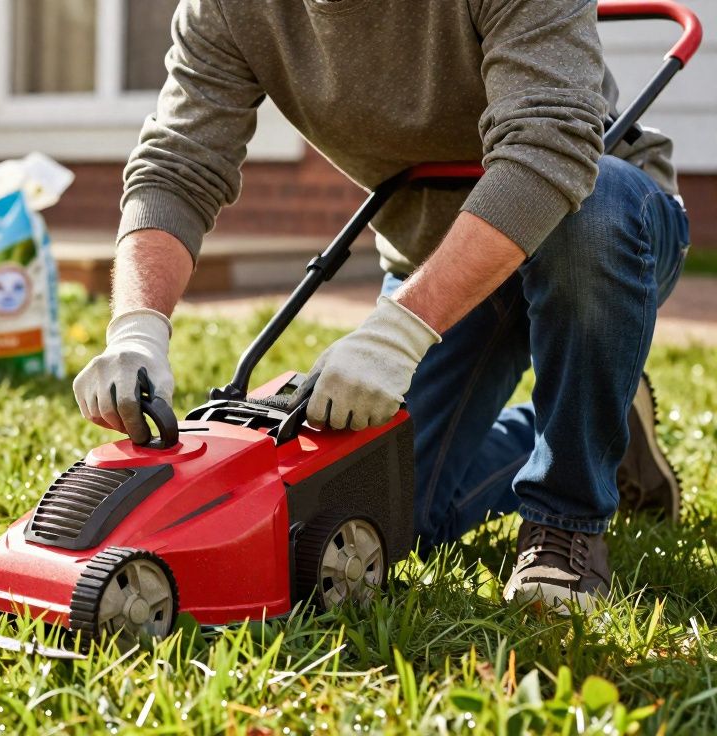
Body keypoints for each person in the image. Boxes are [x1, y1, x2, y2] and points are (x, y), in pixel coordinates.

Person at [72, 0, 689, 612]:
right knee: (386, 511)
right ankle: (601, 417)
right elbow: (177, 166)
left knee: (593, 214)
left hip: (595, 225)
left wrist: (398, 333)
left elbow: (550, 148)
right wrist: (137, 329)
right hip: (433, 255)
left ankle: (565, 521)